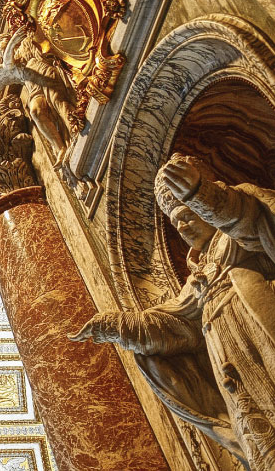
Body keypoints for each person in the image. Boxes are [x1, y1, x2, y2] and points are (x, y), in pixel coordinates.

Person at [72, 153, 275, 469]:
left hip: (262, 332)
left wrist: (201, 194)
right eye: (175, 221)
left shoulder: (241, 227)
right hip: (232, 364)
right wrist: (115, 326)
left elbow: (249, 220)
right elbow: (177, 325)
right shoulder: (198, 275)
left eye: (187, 214)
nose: (181, 225)